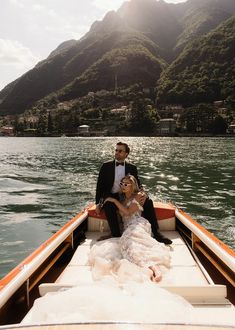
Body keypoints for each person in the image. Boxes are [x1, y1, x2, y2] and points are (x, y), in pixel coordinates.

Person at [96, 142, 172, 245]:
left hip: (127, 194)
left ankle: (157, 233)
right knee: (109, 204)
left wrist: (143, 193)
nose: (117, 152)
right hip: (112, 195)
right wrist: (98, 204)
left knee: (148, 201)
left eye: (120, 151)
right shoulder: (106, 166)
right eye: (116, 150)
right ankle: (116, 234)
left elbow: (138, 185)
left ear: (126, 154)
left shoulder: (132, 167)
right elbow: (99, 186)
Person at [100, 175, 171, 282]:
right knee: (129, 244)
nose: (122, 186)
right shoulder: (122, 198)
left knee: (132, 243)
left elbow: (128, 212)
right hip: (128, 227)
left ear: (132, 186)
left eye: (125, 184)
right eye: (121, 184)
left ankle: (155, 269)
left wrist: (114, 201)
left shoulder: (138, 196)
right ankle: (150, 268)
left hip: (138, 224)